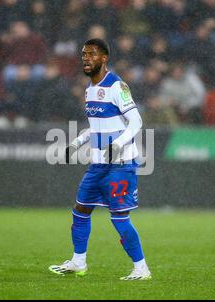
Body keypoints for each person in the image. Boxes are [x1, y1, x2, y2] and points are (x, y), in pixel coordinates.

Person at [48, 39, 152, 281]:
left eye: (92, 54)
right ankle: (78, 262)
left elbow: (136, 121)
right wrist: (74, 144)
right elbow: (95, 128)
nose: (86, 58)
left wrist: (117, 144)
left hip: (121, 163)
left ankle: (141, 268)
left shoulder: (117, 86)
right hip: (98, 164)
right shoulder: (89, 88)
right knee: (81, 209)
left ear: (103, 58)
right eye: (84, 54)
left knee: (119, 217)